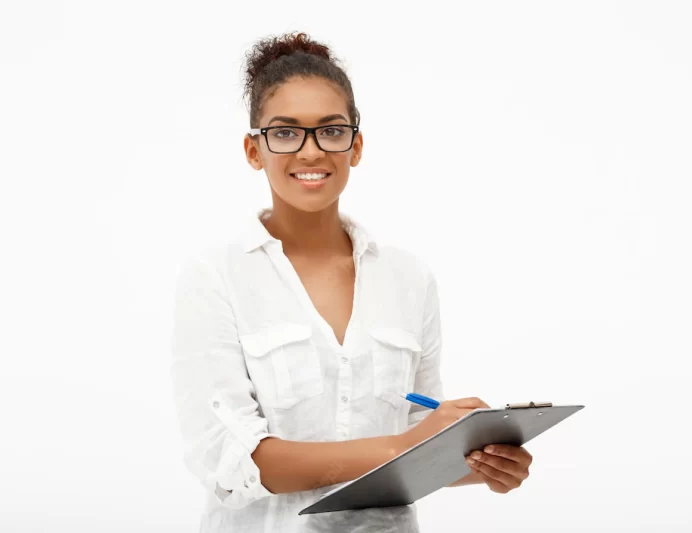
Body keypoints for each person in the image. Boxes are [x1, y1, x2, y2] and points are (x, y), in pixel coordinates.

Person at [170, 31, 533, 532]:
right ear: (254, 150)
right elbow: (236, 466)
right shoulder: (216, 276)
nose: (311, 151)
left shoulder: (410, 277)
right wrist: (406, 445)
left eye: (331, 130)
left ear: (356, 145)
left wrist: (476, 461)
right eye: (285, 132)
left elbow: (411, 445)